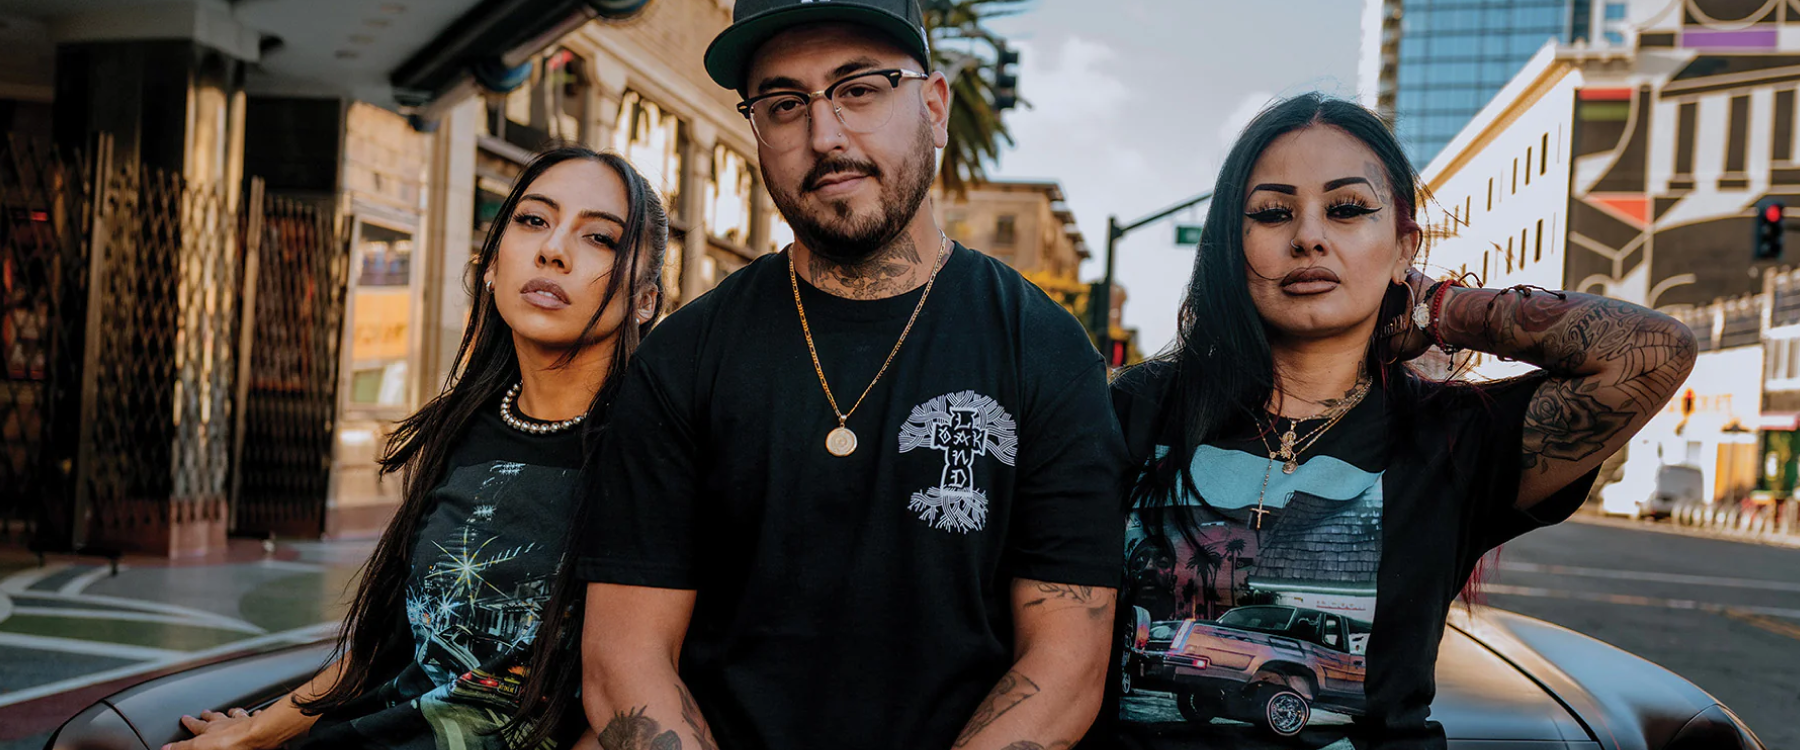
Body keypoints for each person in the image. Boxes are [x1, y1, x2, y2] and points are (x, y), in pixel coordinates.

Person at [573, 1, 1130, 749]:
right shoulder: (684, 358)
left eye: (859, 88)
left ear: (934, 106)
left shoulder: (1047, 352)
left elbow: (1065, 664)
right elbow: (623, 659)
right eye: (783, 103)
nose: (823, 134)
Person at [1103, 93, 1696, 749]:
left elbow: (1656, 350)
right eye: (1273, 213)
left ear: (1401, 246)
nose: (1308, 235)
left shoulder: (1455, 436)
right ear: (1230, 247)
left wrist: (1440, 306)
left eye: (1347, 209)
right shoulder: (1137, 408)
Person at [164, 146, 669, 750]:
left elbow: (641, 693)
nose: (552, 250)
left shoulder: (653, 453)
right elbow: (389, 647)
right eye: (533, 220)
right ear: (491, 264)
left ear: (645, 298)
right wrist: (251, 734)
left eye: (601, 239)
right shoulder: (465, 427)